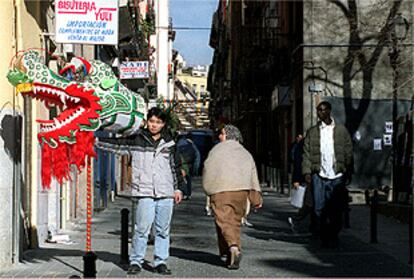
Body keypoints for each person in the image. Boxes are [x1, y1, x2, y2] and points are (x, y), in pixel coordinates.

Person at [96, 107, 184, 275]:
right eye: (151, 121)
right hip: (144, 191)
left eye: (158, 122)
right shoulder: (137, 139)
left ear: (163, 124)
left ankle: (161, 262)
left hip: (165, 192)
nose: (154, 125)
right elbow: (117, 145)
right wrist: (94, 142)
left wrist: (178, 188)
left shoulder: (170, 142)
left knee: (163, 230)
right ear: (147, 121)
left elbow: (175, 167)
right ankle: (136, 260)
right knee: (141, 229)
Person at [202, 124, 263, 270]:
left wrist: (208, 189)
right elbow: (252, 175)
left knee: (224, 221)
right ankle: (227, 253)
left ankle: (233, 247)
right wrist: (256, 197)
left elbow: (207, 169)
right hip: (241, 192)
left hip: (221, 190)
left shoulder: (216, 150)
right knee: (233, 222)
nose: (219, 137)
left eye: (222, 134)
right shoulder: (245, 152)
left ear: (229, 135)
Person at [302, 101, 353, 248]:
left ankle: (334, 234)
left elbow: (348, 151)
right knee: (318, 207)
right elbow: (307, 154)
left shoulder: (341, 131)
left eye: (323, 110)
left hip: (337, 175)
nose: (320, 113)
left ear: (329, 111)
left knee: (336, 208)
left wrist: (348, 170)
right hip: (319, 174)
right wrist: (307, 172)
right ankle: (323, 235)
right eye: (318, 110)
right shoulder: (312, 132)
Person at [287, 134, 314, 232]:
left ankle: (300, 221)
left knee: (310, 203)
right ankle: (296, 220)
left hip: (312, 178)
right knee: (309, 203)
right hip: (307, 179)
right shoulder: (301, 146)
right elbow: (297, 163)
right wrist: (296, 180)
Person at [177, 135, 201, 199]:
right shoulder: (192, 146)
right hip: (189, 165)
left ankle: (182, 192)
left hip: (180, 164)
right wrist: (196, 170)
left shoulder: (177, 144)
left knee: (180, 178)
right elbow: (197, 158)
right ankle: (188, 194)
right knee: (188, 179)